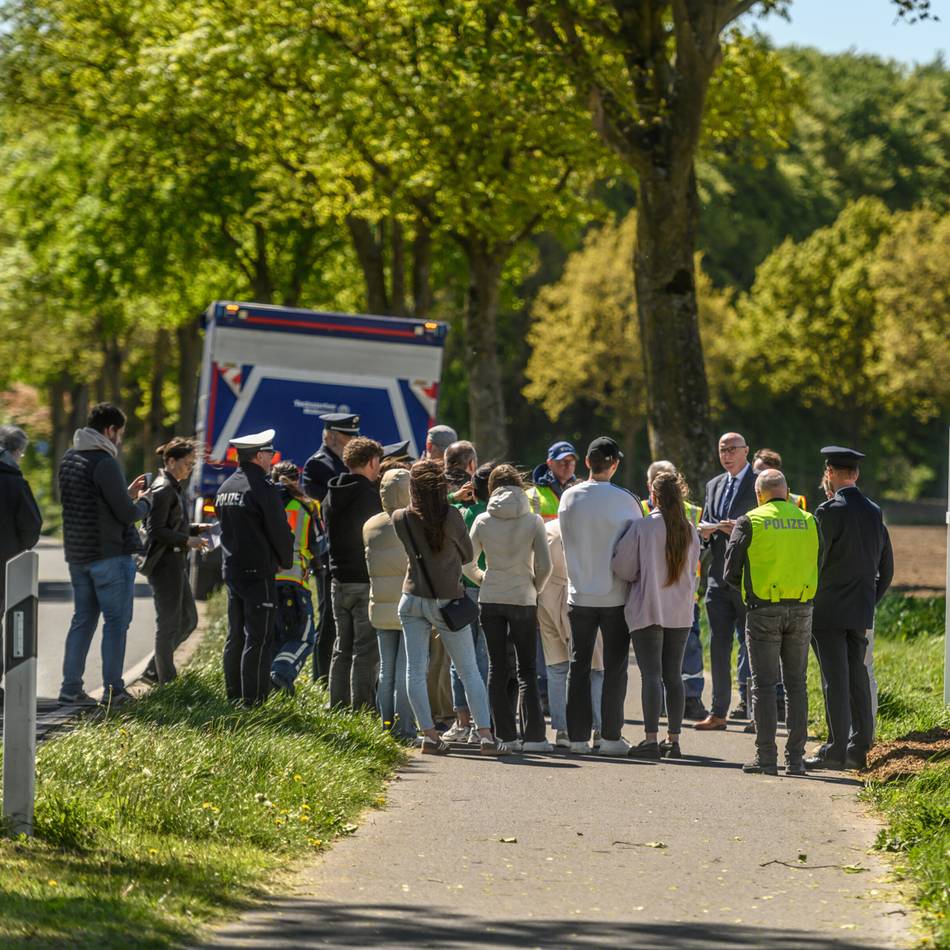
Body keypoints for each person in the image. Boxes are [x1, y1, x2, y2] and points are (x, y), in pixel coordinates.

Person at [392, 460, 508, 756]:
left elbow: (417, 515)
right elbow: (468, 554)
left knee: (415, 670)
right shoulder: (453, 518)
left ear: (413, 489)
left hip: (412, 598)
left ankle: (429, 736)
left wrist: (449, 498)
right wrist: (452, 501)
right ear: (443, 488)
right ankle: (485, 736)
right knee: (469, 670)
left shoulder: (401, 518)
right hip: (447, 601)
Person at [724, 469, 821, 776]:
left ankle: (766, 758)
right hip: (803, 608)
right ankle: (796, 760)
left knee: (764, 686)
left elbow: (730, 571)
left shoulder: (750, 520)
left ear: (758, 494)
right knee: (796, 686)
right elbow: (818, 562)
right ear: (787, 490)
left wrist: (751, 591)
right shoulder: (809, 521)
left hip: (763, 609)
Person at [806, 446, 893, 771]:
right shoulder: (874, 511)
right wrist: (870, 598)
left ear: (830, 473)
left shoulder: (828, 512)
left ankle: (835, 749)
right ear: (856, 474)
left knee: (834, 678)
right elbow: (887, 566)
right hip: (860, 609)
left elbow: (818, 560)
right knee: (857, 675)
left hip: (827, 609)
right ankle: (860, 747)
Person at [58, 403, 151, 707]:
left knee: (82, 620)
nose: (119, 440)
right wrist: (146, 503)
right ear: (110, 430)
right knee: (116, 623)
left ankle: (70, 689)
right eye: (120, 434)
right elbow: (125, 515)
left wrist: (126, 492)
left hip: (78, 554)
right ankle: (114, 690)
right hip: (109, 555)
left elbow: (94, 503)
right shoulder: (104, 462)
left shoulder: (70, 459)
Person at [559, 436, 642, 755]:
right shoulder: (627, 500)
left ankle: (577, 737)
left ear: (587, 464)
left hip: (578, 593)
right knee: (615, 667)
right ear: (615, 464)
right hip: (615, 595)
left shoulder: (569, 497)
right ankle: (609, 735)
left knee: (577, 666)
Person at [464, 464, 553, 751]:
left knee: (496, 667)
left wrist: (481, 577)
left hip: (490, 597)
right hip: (523, 596)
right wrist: (535, 588)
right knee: (527, 669)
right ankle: (535, 737)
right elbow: (545, 565)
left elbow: (467, 562)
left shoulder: (483, 521)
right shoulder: (533, 520)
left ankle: (505, 735)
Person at [613, 471, 700, 759]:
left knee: (651, 674)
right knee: (673, 675)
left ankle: (650, 739)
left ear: (653, 495)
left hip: (648, 607)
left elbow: (622, 567)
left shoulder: (643, 527)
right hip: (680, 610)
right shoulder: (689, 528)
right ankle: (673, 740)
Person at [216, 429, 294, 706]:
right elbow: (279, 530)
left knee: (235, 635)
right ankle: (254, 700)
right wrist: (286, 561)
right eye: (270, 454)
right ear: (259, 456)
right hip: (258, 572)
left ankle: (233, 695)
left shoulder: (226, 488)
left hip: (233, 570)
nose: (272, 459)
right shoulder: (262, 487)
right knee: (259, 638)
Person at [695, 432, 758, 731]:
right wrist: (705, 532)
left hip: (749, 577)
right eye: (722, 449)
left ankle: (756, 712)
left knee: (754, 645)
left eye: (733, 449)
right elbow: (706, 520)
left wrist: (741, 529)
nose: (727, 454)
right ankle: (718, 712)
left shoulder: (760, 482)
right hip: (718, 578)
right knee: (717, 645)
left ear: (746, 451)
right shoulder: (714, 484)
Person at [141, 437, 210, 685]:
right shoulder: (163, 489)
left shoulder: (172, 486)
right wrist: (186, 540)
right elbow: (155, 530)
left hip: (174, 561)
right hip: (164, 564)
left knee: (189, 619)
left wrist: (193, 529)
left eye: (192, 464)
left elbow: (172, 526)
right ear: (170, 461)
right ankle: (165, 680)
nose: (190, 469)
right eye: (187, 463)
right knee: (169, 624)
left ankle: (153, 669)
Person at [642, 460, 707, 721]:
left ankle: (690, 701)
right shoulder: (639, 510)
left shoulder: (692, 512)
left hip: (678, 595)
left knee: (687, 653)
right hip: (673, 596)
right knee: (667, 666)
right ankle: (670, 726)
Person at [324, 436, 384, 709]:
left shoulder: (331, 493)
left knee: (341, 647)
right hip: (364, 580)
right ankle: (361, 709)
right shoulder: (370, 496)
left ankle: (336, 705)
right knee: (365, 650)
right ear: (372, 461)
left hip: (338, 580)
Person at [537, 517, 604, 749]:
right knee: (596, 667)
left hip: (547, 594)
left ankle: (562, 729)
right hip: (582, 596)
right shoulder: (592, 528)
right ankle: (600, 728)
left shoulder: (548, 529)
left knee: (556, 665)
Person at [303, 412, 360, 681]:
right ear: (333, 436)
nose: (354, 440)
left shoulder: (343, 463)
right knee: (327, 617)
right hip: (328, 550)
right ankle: (321, 675)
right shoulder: (319, 465)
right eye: (350, 436)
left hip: (349, 548)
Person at [363, 467, 417, 742]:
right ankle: (405, 727)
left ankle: (386, 725)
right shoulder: (412, 522)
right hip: (409, 605)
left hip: (380, 604)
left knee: (386, 670)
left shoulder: (371, 525)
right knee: (406, 670)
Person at [443, 457, 492, 744]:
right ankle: (481, 723)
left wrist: (453, 496)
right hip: (488, 588)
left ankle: (462, 721)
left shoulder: (461, 512)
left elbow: (434, 511)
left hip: (461, 589)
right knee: (484, 660)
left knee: (458, 660)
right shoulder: (492, 513)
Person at [269, 461, 323, 694]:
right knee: (303, 637)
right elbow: (319, 545)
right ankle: (281, 672)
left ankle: (271, 686)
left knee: (274, 636)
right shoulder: (308, 506)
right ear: (297, 480)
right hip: (294, 581)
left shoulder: (263, 502)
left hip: (266, 580)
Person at [0, 425, 43, 705]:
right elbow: (32, 525)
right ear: (15, 452)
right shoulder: (14, 482)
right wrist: (17, 549)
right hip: (3, 565)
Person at [526, 440, 578, 521]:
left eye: (571, 461)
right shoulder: (532, 495)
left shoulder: (581, 492)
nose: (568, 466)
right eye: (563, 461)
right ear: (550, 463)